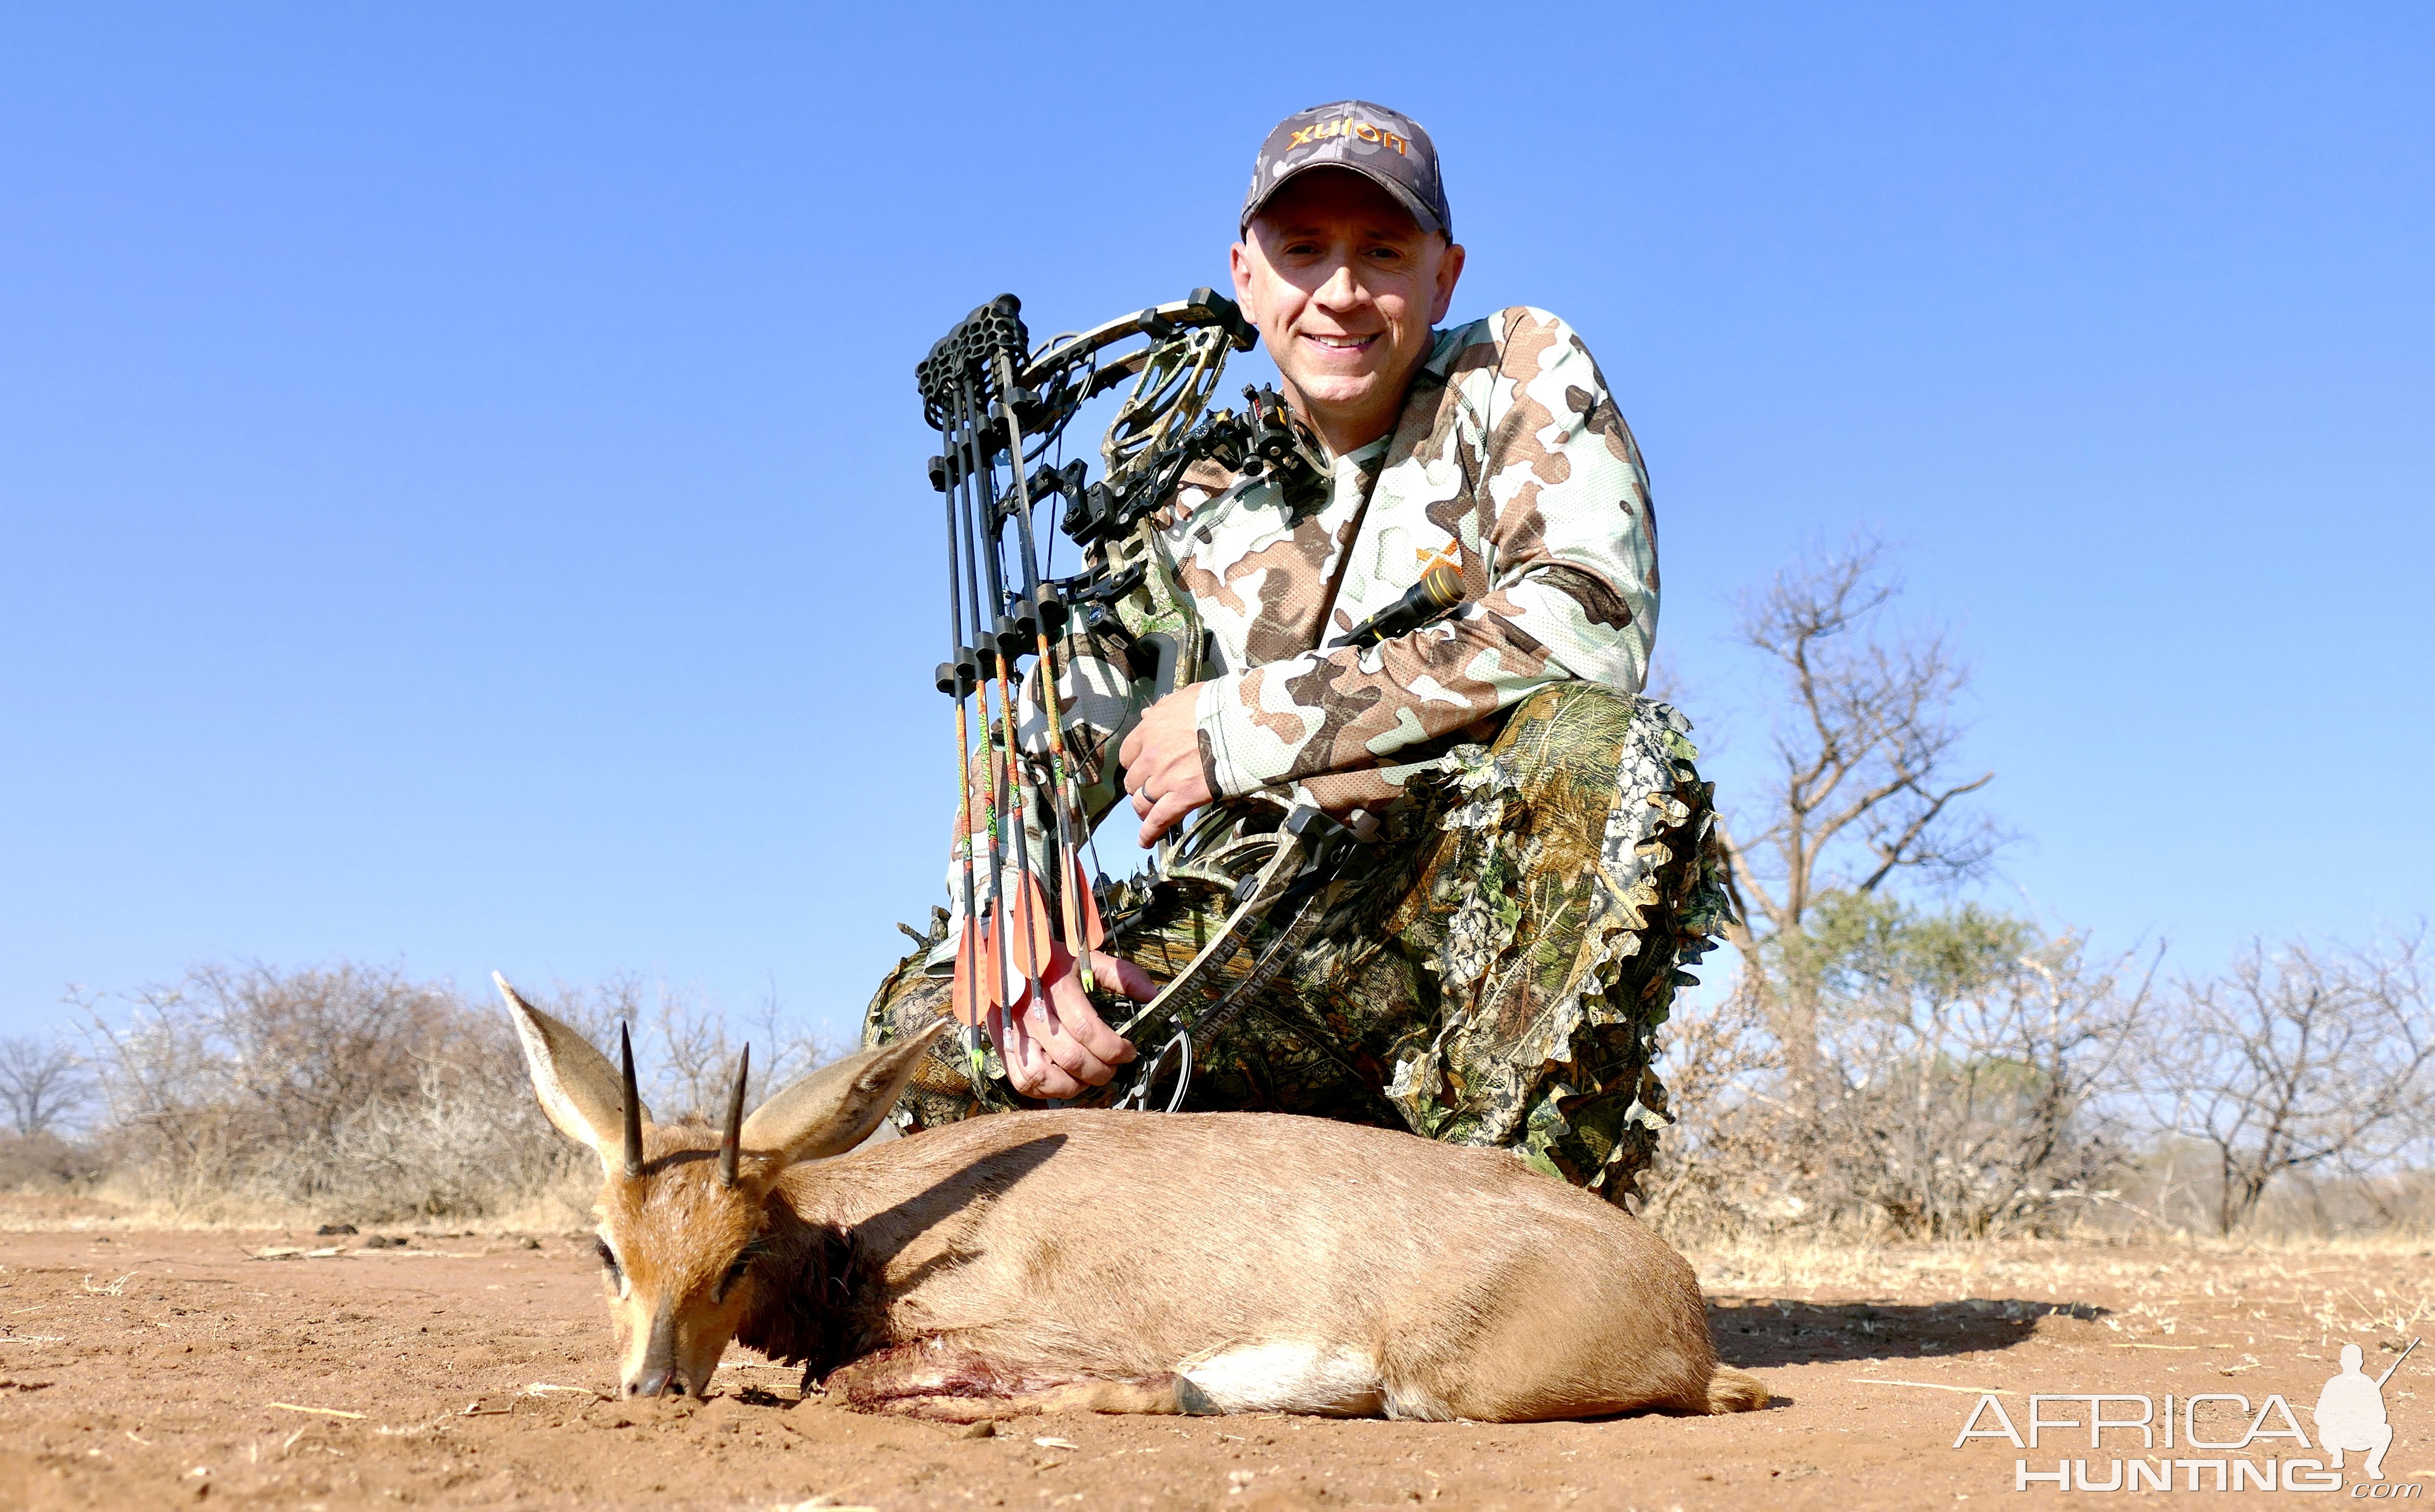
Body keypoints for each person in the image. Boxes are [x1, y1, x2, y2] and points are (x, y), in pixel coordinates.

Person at [864, 100, 1730, 1205]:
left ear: (1443, 276)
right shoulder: (1188, 498)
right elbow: (1043, 744)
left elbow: (1585, 619)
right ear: (1245, 273)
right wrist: (1017, 935)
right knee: (934, 1031)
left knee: (1611, 752)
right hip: (1244, 947)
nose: (1341, 292)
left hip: (1445, 924)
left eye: (1382, 253)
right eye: (1302, 251)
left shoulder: (1513, 367)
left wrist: (1237, 727)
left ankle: (1514, 1231)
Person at [2312, 1343, 2395, 1480]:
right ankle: (2337, 1454)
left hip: (2361, 1435)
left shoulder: (2369, 1384)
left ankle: (2372, 1464)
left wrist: (2362, 1416)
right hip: (2337, 1435)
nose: (2351, 1364)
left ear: (2361, 1362)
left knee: (2386, 1430)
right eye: (2348, 1360)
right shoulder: (2333, 1383)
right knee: (2324, 1429)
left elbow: (2381, 1416)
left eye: (2354, 1361)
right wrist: (2338, 1418)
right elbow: (2319, 1415)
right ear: (2342, 1362)